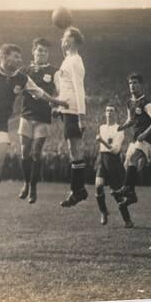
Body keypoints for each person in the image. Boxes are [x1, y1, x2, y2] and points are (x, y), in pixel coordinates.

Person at [0, 43, 67, 220]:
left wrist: (58, 102)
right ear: (4, 57)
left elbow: (39, 93)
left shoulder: (21, 79)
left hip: (1, 125)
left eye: (19, 57)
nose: (19, 60)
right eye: (16, 57)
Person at [17, 38, 59, 204]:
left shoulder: (54, 71)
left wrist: (57, 106)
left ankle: (33, 188)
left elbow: (60, 91)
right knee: (24, 152)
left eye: (45, 51)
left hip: (42, 118)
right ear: (33, 51)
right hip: (26, 116)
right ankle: (26, 184)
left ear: (48, 54)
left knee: (36, 152)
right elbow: (15, 87)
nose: (41, 53)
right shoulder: (24, 70)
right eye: (39, 50)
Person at [114, 73, 151, 213]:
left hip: (146, 137)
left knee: (134, 159)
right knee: (127, 164)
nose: (132, 85)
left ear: (141, 85)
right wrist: (122, 126)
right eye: (130, 83)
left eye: (135, 83)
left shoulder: (146, 102)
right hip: (136, 137)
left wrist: (145, 133)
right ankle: (131, 195)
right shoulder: (130, 102)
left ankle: (126, 189)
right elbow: (132, 120)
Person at [55, 27, 89, 208]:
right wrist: (59, 106)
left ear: (73, 40)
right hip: (66, 110)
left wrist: (81, 116)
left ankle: (78, 190)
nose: (62, 39)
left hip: (74, 111)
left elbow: (79, 88)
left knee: (75, 149)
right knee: (72, 149)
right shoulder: (67, 59)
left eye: (66, 36)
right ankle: (79, 189)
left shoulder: (75, 60)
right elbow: (66, 89)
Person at [94, 105, 133, 228]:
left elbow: (116, 150)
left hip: (113, 161)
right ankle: (103, 212)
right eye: (107, 110)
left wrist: (102, 142)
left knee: (117, 193)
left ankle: (127, 220)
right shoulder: (101, 127)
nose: (109, 113)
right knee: (98, 185)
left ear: (116, 114)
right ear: (105, 113)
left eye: (111, 110)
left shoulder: (119, 129)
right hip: (102, 159)